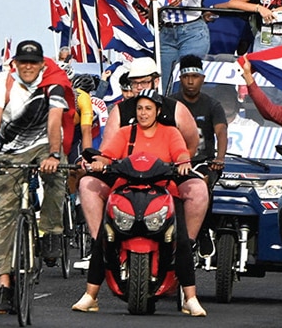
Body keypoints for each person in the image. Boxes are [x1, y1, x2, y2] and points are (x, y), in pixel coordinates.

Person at [71, 90, 207, 316]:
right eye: (140, 109)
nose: (143, 113)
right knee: (104, 237)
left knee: (181, 239)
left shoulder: (171, 132)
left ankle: (190, 298)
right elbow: (108, 155)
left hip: (163, 193)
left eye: (148, 109)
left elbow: (182, 154)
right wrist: (98, 163)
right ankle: (90, 295)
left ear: (158, 111)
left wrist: (183, 164)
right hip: (126, 192)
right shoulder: (125, 133)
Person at [0, 40, 71, 314]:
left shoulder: (53, 82)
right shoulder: (2, 81)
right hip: (10, 150)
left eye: (33, 62)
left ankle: (52, 230)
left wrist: (53, 155)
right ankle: (4, 281)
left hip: (44, 143)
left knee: (57, 175)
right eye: (23, 62)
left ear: (42, 64)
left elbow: (54, 121)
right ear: (15, 63)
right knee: (4, 210)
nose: (28, 67)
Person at [90, 57, 206, 244]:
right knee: (87, 184)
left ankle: (187, 242)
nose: (138, 87)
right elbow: (107, 151)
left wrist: (182, 163)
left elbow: (191, 144)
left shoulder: (176, 111)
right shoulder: (120, 114)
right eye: (134, 83)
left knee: (199, 190)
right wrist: (99, 162)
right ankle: (101, 241)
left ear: (156, 81)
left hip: (167, 175)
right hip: (127, 177)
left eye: (143, 81)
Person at [169, 55, 227, 186]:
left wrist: (220, 158)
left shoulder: (213, 105)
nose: (190, 81)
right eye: (186, 77)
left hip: (204, 162)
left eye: (195, 76)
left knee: (201, 185)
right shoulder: (170, 104)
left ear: (203, 79)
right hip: (174, 162)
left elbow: (221, 131)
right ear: (180, 79)